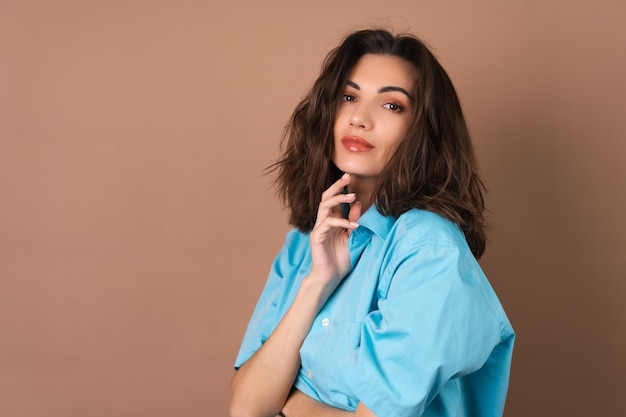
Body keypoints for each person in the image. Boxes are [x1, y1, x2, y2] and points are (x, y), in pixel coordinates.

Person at [229, 29, 515, 417]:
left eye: (392, 105)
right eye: (349, 97)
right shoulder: (303, 243)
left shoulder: (429, 250)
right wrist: (316, 283)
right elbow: (246, 407)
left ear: (422, 132)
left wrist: (290, 406)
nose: (359, 118)